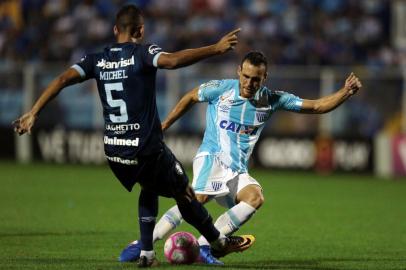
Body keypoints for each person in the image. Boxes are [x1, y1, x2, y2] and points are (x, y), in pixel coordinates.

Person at [12, 4, 255, 268]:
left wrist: (33, 112)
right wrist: (214, 49)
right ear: (140, 30)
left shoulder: (96, 59)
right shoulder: (143, 53)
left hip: (115, 150)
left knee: (148, 186)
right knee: (184, 192)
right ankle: (218, 241)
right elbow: (172, 61)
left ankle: (147, 254)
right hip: (146, 148)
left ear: (115, 29)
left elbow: (61, 79)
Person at [120, 51, 363, 265]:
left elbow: (317, 106)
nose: (249, 83)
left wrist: (345, 92)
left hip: (236, 170)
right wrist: (165, 125)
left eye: (255, 79)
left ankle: (205, 245)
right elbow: (191, 96)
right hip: (211, 157)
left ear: (264, 78)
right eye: (245, 76)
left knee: (255, 197)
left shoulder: (272, 100)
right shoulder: (221, 89)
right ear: (239, 71)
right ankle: (142, 243)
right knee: (198, 198)